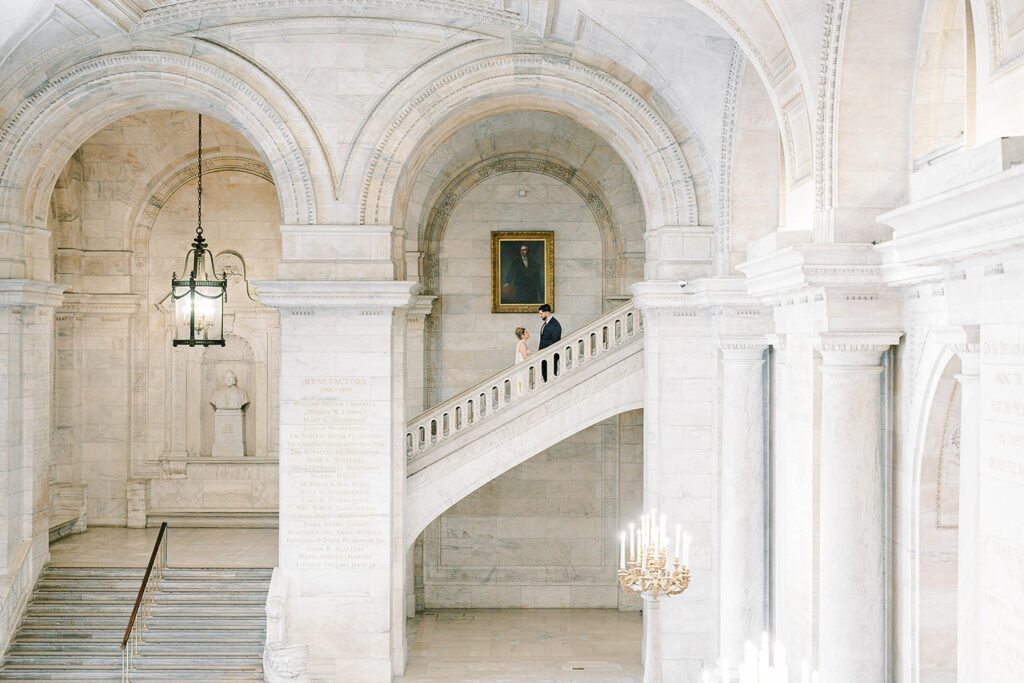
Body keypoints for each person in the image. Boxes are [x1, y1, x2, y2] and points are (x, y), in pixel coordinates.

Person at [537, 304, 561, 380]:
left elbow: (555, 341)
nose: (540, 316)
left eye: (541, 314)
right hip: (544, 355)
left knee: (550, 378)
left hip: (550, 356)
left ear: (546, 312)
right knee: (545, 377)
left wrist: (544, 350)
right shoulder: (546, 323)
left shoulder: (554, 324)